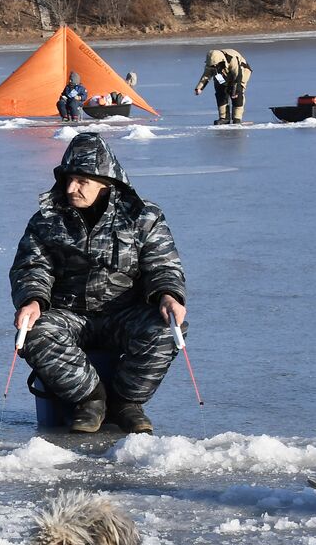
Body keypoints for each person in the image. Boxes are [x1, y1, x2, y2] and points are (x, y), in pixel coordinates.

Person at [10, 133, 187, 435]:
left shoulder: (144, 217)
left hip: (124, 314)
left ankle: (126, 403)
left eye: (81, 181)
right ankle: (90, 400)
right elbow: (32, 266)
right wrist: (34, 299)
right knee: (34, 332)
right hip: (69, 314)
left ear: (105, 181)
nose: (70, 188)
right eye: (67, 179)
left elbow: (163, 264)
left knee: (168, 329)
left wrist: (168, 296)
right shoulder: (46, 220)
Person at [192, 48, 250, 124]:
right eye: (213, 66)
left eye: (216, 65)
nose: (214, 66)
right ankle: (224, 118)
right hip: (222, 74)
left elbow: (238, 76)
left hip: (241, 72)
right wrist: (199, 88)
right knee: (221, 92)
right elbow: (206, 75)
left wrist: (236, 90)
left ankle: (237, 118)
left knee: (236, 95)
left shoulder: (232, 59)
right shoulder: (211, 64)